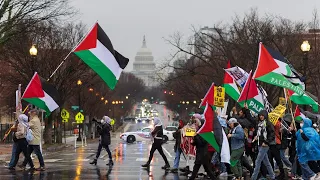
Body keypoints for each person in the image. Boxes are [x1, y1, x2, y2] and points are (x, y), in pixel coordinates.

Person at [251, 110, 276, 180]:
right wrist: (256, 137)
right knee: (266, 161)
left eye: (262, 115)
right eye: (260, 115)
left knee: (258, 161)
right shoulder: (259, 124)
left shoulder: (268, 124)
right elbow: (259, 134)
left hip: (265, 145)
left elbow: (272, 134)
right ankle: (272, 176)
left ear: (265, 116)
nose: (261, 116)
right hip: (259, 144)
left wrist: (266, 142)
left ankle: (253, 177)